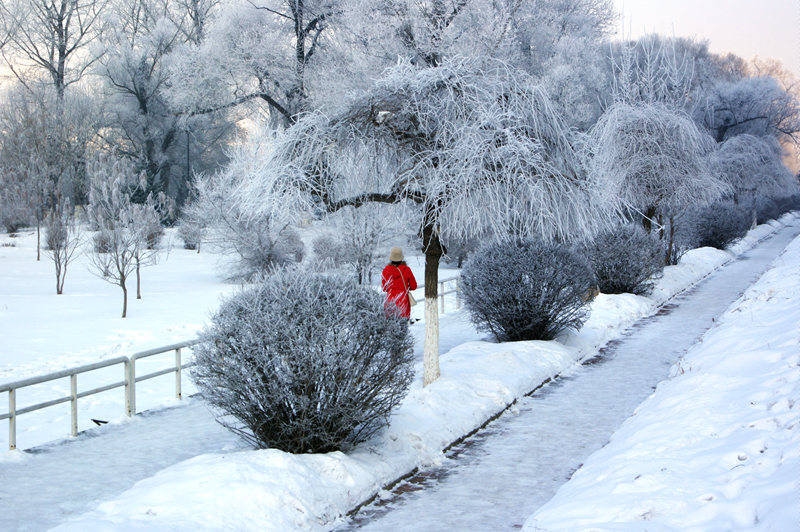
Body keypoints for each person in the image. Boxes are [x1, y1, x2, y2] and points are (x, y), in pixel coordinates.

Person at [381, 247, 417, 320]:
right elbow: (414, 286)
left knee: (391, 326)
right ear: (401, 258)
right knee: (403, 325)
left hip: (390, 302)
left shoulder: (385, 271)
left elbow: (384, 288)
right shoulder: (406, 270)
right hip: (403, 301)